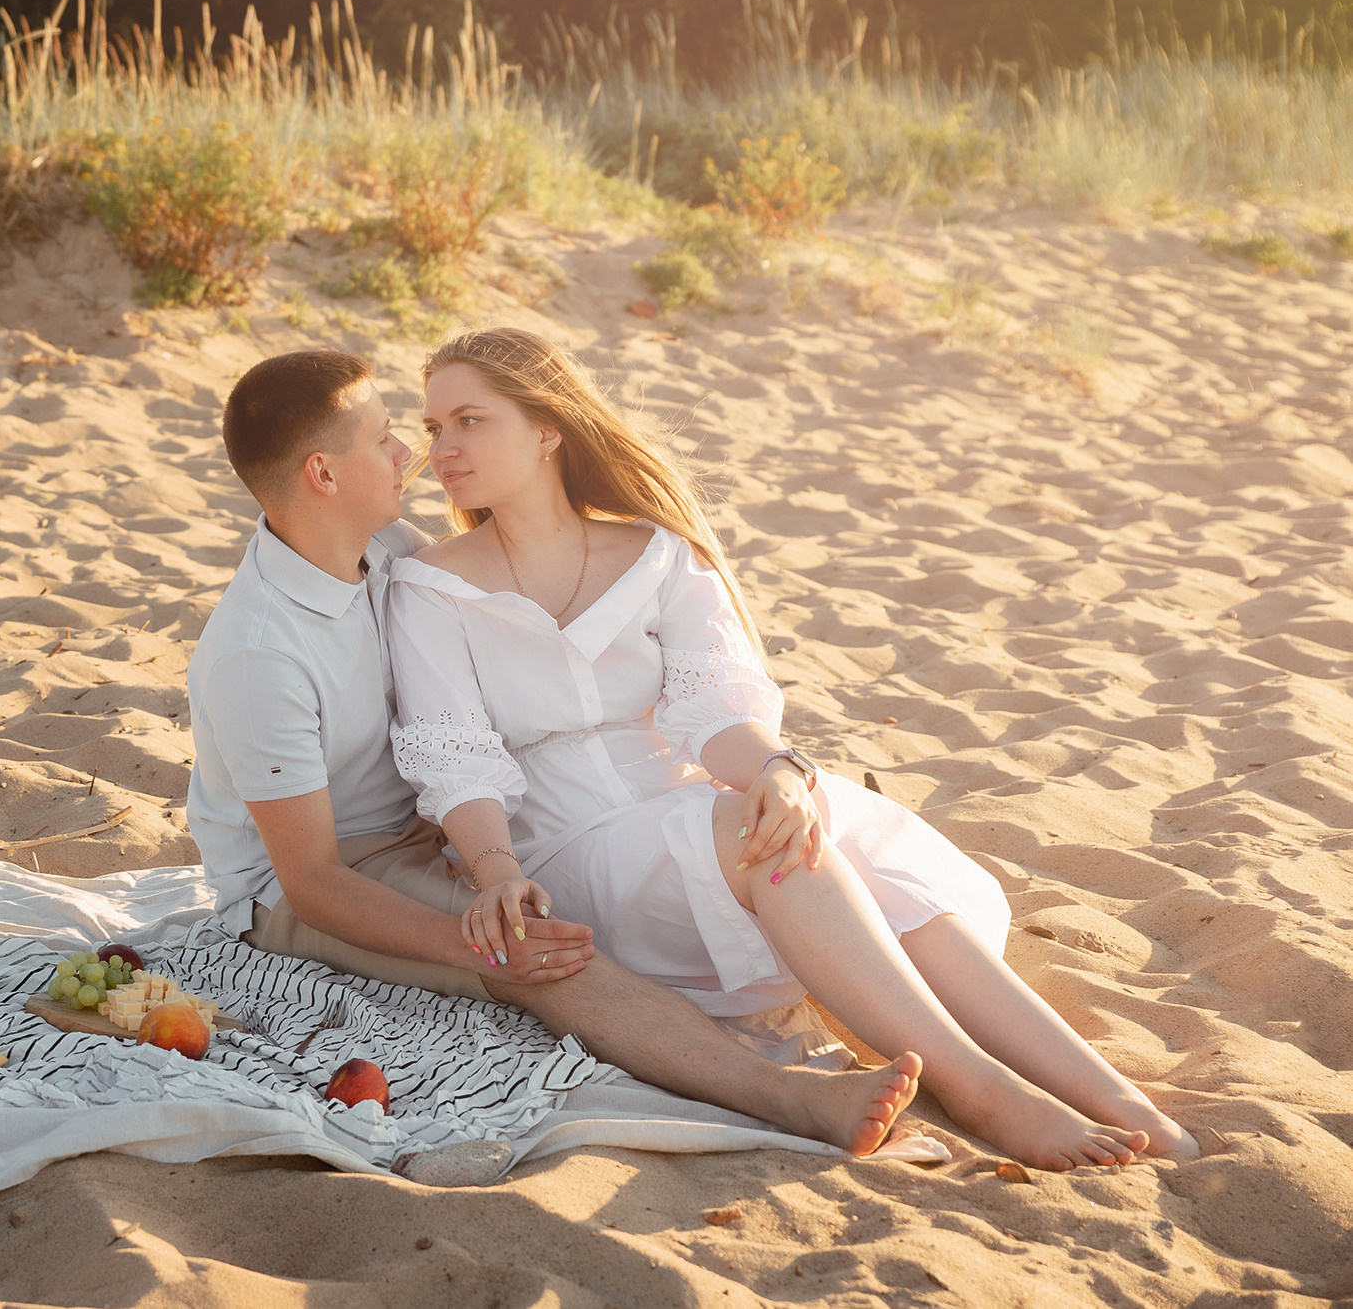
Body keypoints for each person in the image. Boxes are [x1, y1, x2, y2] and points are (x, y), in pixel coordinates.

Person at [384, 325, 1196, 1170]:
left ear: (547, 427)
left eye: (468, 421)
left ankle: (1115, 1095)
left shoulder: (657, 555)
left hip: (692, 809)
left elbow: (714, 712)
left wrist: (777, 770)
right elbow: (455, 754)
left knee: (811, 823)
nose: (441, 448)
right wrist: (497, 870)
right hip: (569, 852)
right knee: (752, 832)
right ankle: (983, 1090)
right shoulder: (431, 584)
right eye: (435, 428)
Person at [185, 347, 923, 1157]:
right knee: (539, 954)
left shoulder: (388, 545)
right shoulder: (262, 652)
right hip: (319, 879)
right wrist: (474, 939)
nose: (413, 454)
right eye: (388, 437)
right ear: (323, 474)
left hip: (421, 831)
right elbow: (311, 880)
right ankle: (790, 1097)